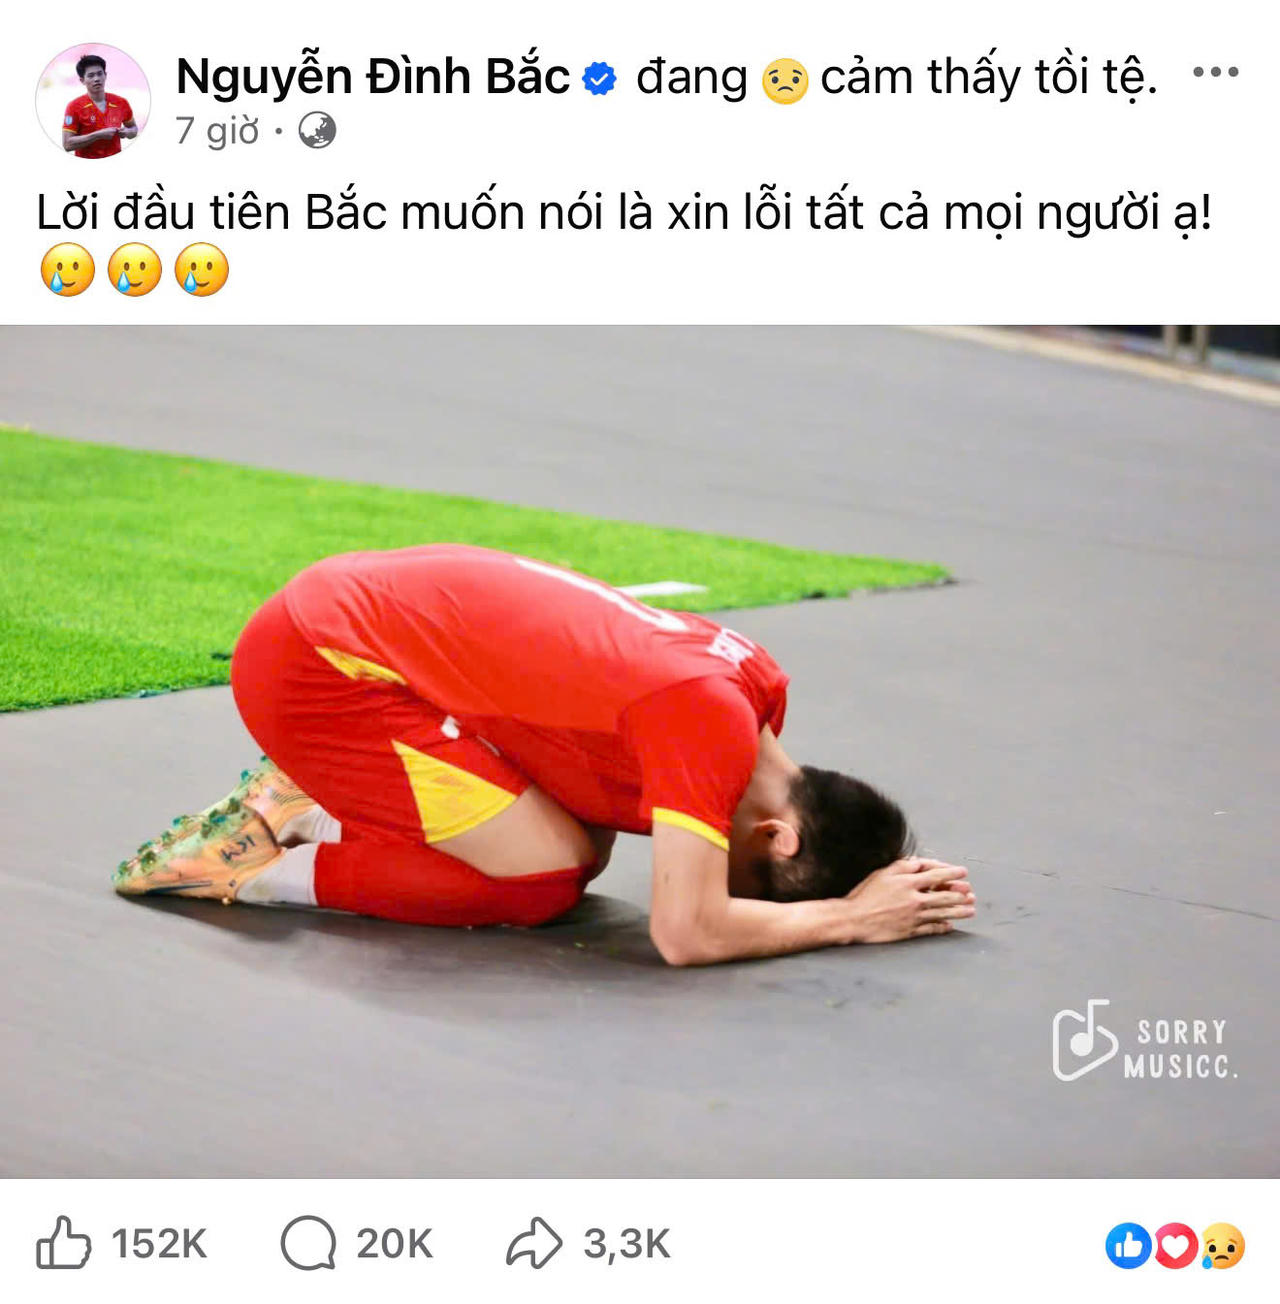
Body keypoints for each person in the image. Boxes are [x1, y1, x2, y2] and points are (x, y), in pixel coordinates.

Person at [115, 544, 974, 964]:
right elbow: (687, 931)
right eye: (753, 886)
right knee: (539, 880)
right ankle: (255, 861)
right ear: (777, 838)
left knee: (577, 846)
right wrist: (849, 918)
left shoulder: (755, 692)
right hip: (315, 667)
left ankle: (316, 803)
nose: (726, 879)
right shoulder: (709, 727)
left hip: (352, 619)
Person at [63, 54, 138, 158]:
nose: (97, 79)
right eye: (91, 75)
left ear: (105, 75)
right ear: (82, 80)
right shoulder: (74, 106)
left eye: (100, 74)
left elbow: (133, 128)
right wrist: (97, 135)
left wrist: (128, 132)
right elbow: (67, 144)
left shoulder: (121, 102)